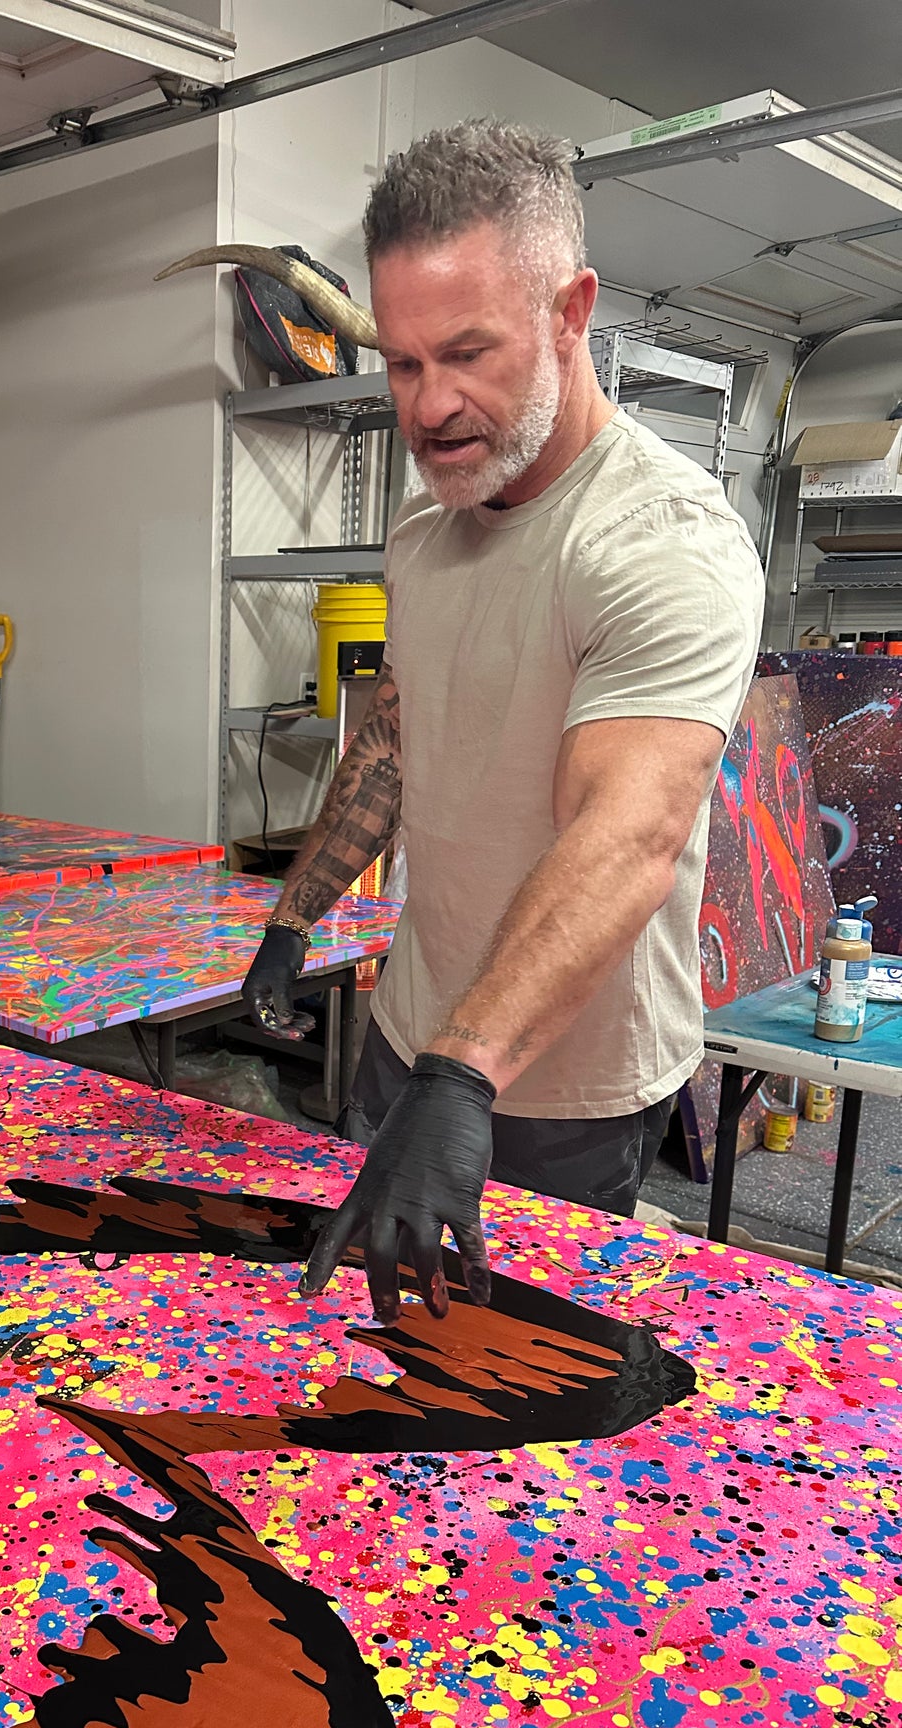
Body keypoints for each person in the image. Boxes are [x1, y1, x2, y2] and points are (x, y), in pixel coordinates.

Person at [240, 120, 764, 1324]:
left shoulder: (662, 543)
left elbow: (626, 833)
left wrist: (463, 1078)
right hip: (410, 1036)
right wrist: (294, 917)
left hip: (558, 1086)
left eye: (469, 353)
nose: (430, 405)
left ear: (571, 311)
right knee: (359, 1337)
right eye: (404, 362)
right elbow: (397, 740)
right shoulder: (426, 530)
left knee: (497, 1376)